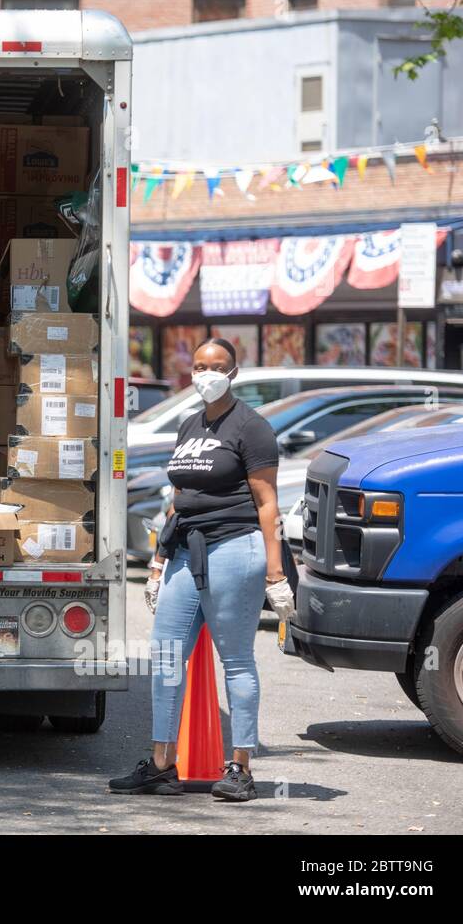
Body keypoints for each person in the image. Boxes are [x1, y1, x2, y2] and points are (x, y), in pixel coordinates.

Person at [108, 338, 295, 802]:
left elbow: (267, 503)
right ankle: (161, 765)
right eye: (198, 366)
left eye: (216, 367)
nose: (205, 375)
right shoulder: (190, 424)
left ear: (233, 373)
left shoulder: (251, 428)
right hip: (185, 553)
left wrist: (276, 573)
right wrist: (156, 562)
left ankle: (241, 768)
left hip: (234, 548)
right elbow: (179, 500)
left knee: (235, 660)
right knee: (167, 655)